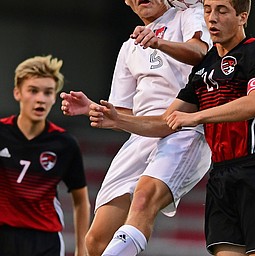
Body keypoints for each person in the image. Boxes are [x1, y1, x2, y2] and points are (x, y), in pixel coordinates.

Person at [88, 0, 255, 255]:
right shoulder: (203, 69)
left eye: (221, 11)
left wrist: (196, 118)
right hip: (220, 178)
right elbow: (168, 121)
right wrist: (117, 120)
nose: (212, 18)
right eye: (208, 10)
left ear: (242, 17)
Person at [61, 1, 212, 255]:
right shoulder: (129, 47)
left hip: (183, 128)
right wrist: (91, 109)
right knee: (96, 240)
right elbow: (122, 114)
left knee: (143, 199)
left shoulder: (186, 15)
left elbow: (200, 52)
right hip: (141, 135)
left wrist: (158, 42)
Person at [0, 55, 91, 256]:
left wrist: (81, 249)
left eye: (48, 92)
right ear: (17, 93)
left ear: (54, 97)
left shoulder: (64, 144)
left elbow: (81, 199)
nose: (40, 98)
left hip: (45, 241)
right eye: (33, 91)